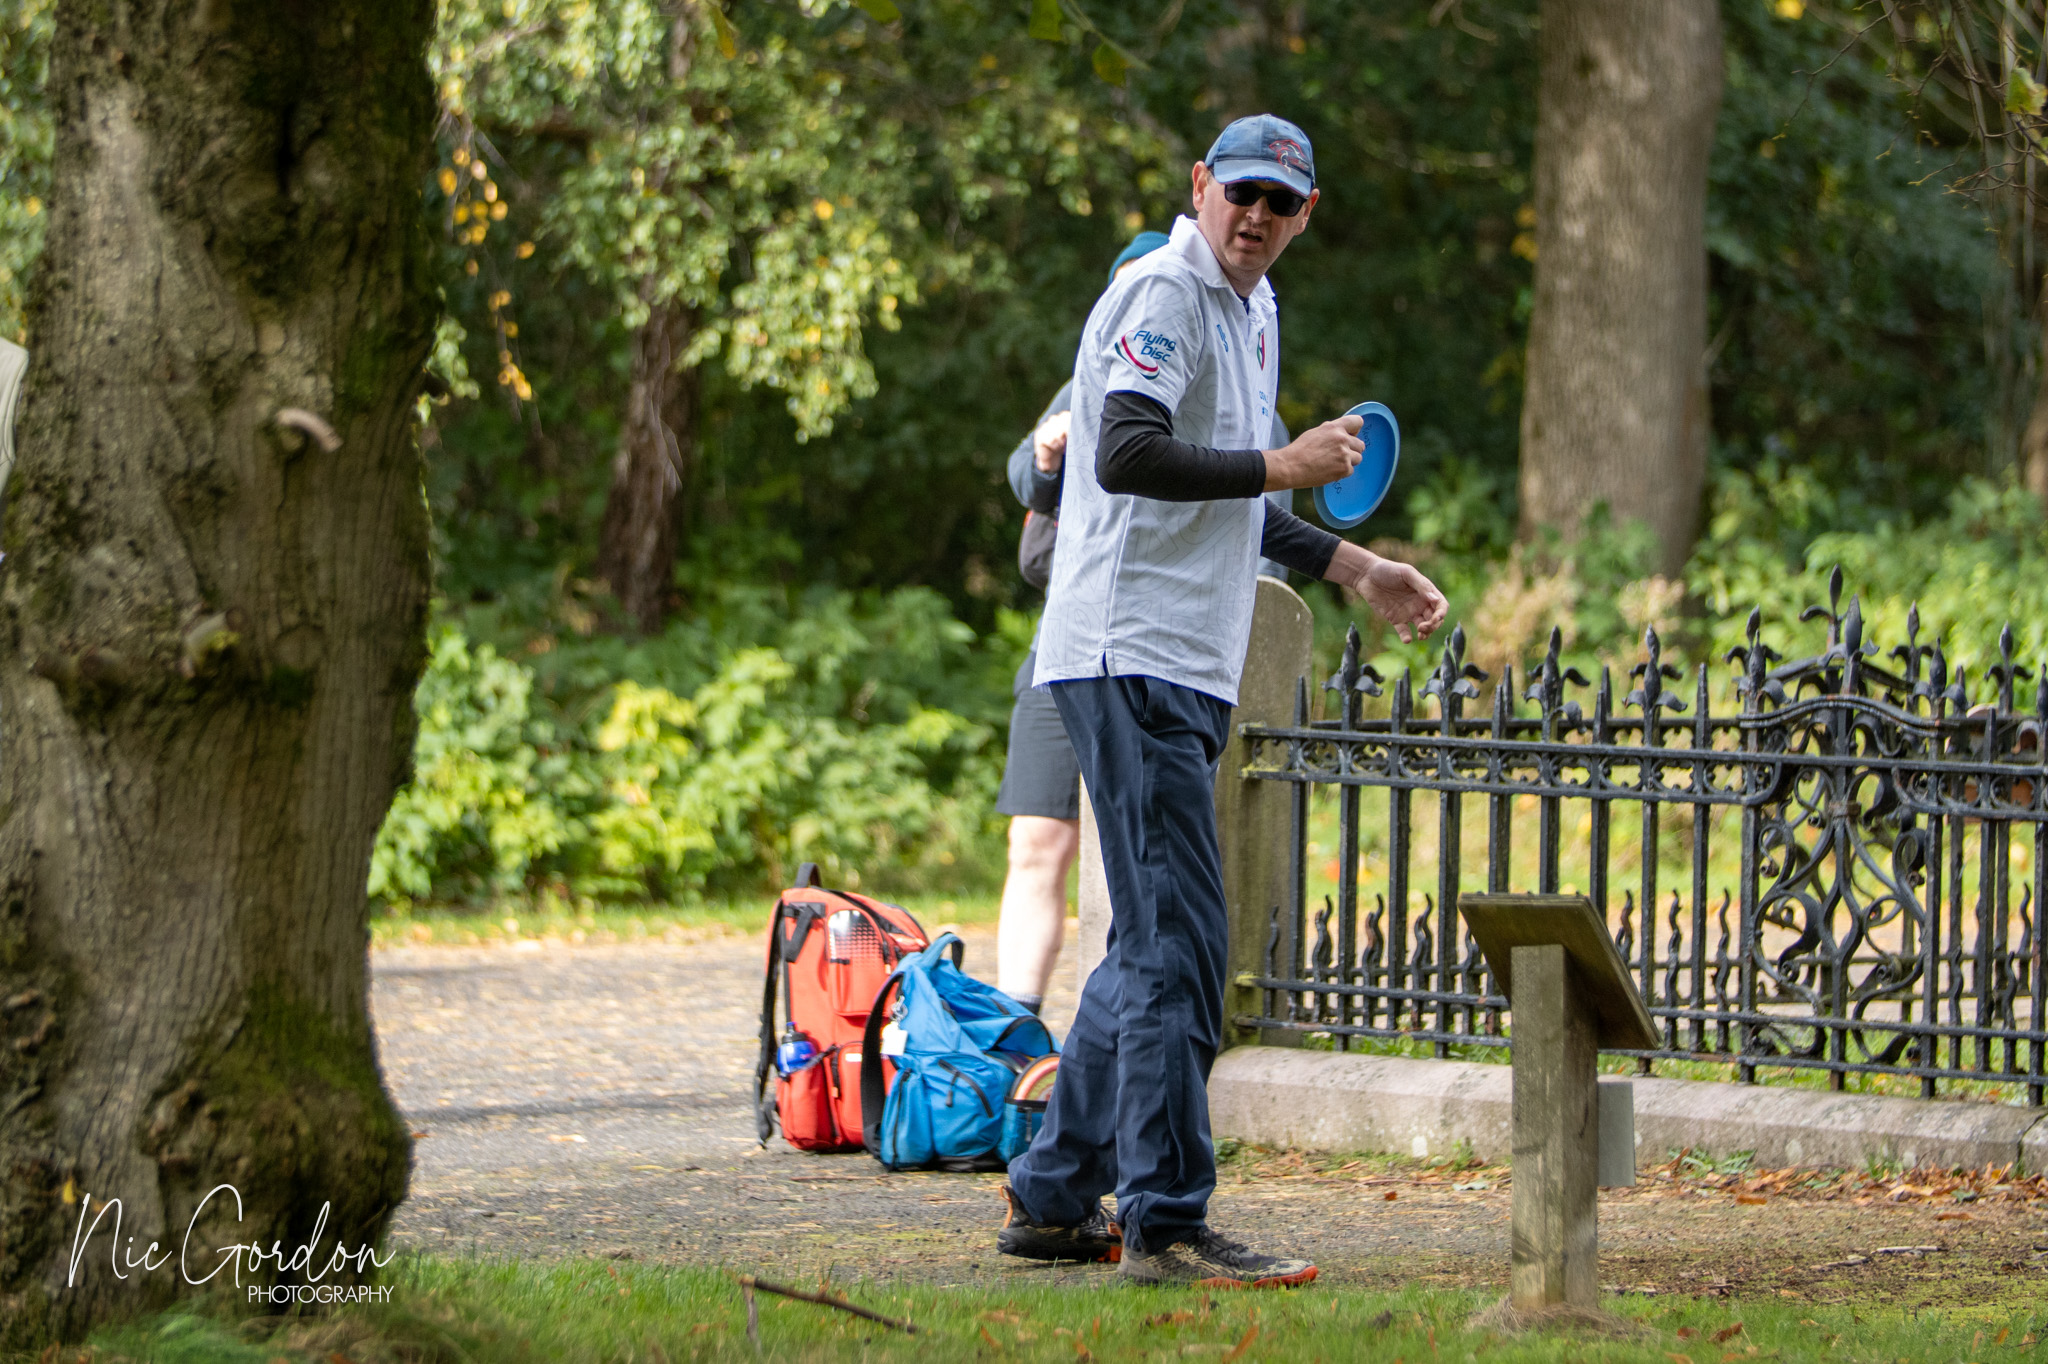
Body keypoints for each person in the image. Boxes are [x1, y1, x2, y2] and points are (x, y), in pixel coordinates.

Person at [994, 115, 1447, 1287]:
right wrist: (1285, 465)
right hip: (1126, 656)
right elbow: (1124, 452)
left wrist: (1354, 565)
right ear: (1200, 185)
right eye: (1238, 191)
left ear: (1305, 214)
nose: (1254, 215)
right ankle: (1164, 1220)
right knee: (1184, 946)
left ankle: (1054, 1195)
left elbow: (1233, 495)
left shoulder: (1252, 310)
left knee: (1146, 943)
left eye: (1278, 202)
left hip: (1182, 662)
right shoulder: (1164, 291)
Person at [992, 233, 1170, 1016]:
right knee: (1036, 841)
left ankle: (1129, 1033)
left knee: (1143, 859)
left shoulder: (1230, 386)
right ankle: (1013, 1034)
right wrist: (1047, 455)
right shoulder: (1084, 382)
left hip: (1162, 658)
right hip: (1063, 646)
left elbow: (1262, 538)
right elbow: (1025, 486)